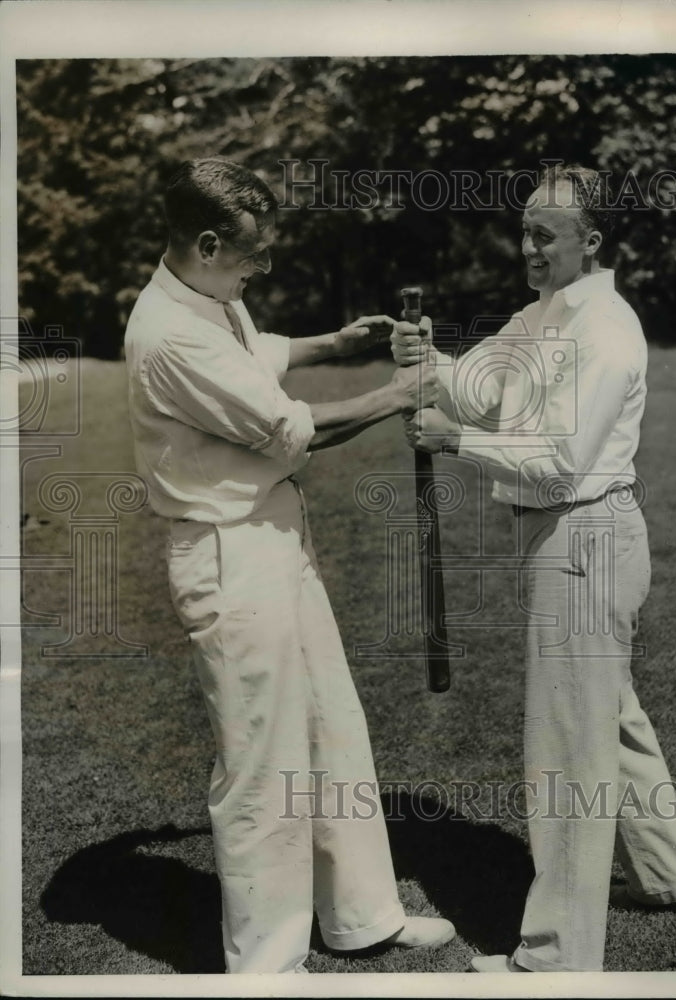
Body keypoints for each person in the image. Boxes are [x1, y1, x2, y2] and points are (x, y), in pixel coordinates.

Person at [124, 157, 454, 973]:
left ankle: (362, 916)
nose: (262, 266)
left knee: (330, 726)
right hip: (228, 553)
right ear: (207, 243)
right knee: (261, 757)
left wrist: (331, 343)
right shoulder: (168, 334)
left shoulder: (206, 296)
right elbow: (290, 431)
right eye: (254, 254)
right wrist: (398, 395)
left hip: (275, 536)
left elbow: (256, 351)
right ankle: (268, 965)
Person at [392, 164, 676, 972]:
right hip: (557, 537)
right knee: (611, 718)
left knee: (567, 747)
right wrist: (427, 360)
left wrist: (455, 441)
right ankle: (673, 878)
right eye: (525, 230)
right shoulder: (538, 318)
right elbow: (476, 386)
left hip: (585, 533)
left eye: (546, 235)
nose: (528, 247)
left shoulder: (606, 329)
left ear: (590, 242)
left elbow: (565, 461)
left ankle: (556, 955)